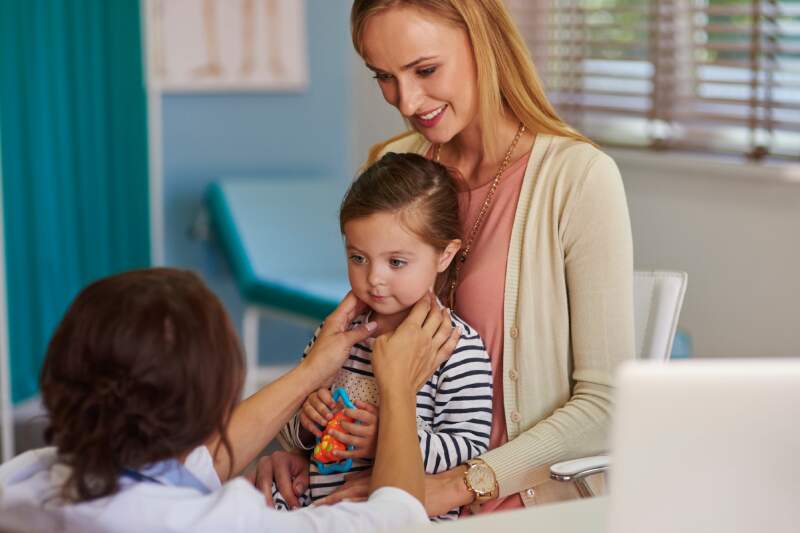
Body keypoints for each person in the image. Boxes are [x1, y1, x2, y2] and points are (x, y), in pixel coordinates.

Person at [256, 0, 635, 518]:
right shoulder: (394, 166)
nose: (407, 100)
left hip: (512, 507)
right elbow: (354, 356)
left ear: (483, 42)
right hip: (380, 495)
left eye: (426, 70)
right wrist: (305, 451)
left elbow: (607, 407)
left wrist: (454, 486)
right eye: (384, 77)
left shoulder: (578, 178)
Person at [0, 267, 459, 532]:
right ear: (216, 404)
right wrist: (397, 388)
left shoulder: (24, 481)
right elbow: (398, 521)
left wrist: (309, 374)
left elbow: (194, 467)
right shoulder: (226, 523)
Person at [272, 153, 492, 521]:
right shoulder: (336, 336)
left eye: (396, 262)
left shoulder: (456, 349)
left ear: (444, 255)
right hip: (325, 515)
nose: (374, 278)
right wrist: (306, 423)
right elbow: (290, 432)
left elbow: (468, 448)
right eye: (358, 258)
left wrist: (388, 439)